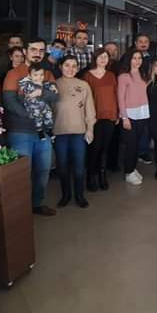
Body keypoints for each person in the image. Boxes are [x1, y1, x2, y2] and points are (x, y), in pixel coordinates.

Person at [3, 38, 58, 216]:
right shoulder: (14, 73)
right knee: (22, 173)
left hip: (43, 133)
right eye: (33, 49)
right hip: (20, 132)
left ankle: (37, 204)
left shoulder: (48, 74)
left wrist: (41, 92)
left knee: (43, 170)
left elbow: (55, 97)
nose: (37, 53)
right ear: (25, 51)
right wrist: (32, 115)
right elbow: (9, 102)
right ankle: (20, 209)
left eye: (41, 50)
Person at [53, 56, 96, 209]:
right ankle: (66, 195)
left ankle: (79, 195)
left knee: (79, 167)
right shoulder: (53, 84)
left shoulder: (84, 85)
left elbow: (90, 110)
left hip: (79, 132)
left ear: (78, 68)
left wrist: (90, 129)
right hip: (59, 133)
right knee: (62, 166)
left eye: (74, 66)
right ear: (60, 67)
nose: (70, 69)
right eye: (67, 65)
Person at [82, 48, 118, 192]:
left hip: (110, 115)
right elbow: (84, 99)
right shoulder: (87, 76)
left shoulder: (111, 75)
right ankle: (91, 175)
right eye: (100, 57)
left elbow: (115, 95)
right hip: (94, 117)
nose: (103, 59)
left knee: (105, 147)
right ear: (95, 58)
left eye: (106, 57)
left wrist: (117, 114)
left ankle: (103, 174)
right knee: (94, 148)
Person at [117, 49, 150, 185]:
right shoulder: (124, 76)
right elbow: (120, 98)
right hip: (129, 115)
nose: (137, 61)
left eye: (139, 58)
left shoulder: (144, 74)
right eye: (134, 58)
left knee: (136, 144)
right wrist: (124, 118)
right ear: (129, 60)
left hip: (143, 113)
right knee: (130, 145)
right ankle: (128, 172)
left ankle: (132, 168)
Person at [18, 63, 58, 139]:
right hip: (33, 106)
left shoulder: (43, 84)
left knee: (49, 115)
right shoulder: (28, 84)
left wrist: (53, 87)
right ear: (30, 76)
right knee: (38, 118)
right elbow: (23, 86)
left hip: (43, 105)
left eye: (41, 75)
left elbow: (49, 86)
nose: (39, 77)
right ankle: (40, 132)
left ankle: (49, 129)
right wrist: (34, 91)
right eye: (35, 75)